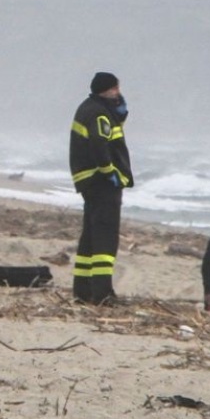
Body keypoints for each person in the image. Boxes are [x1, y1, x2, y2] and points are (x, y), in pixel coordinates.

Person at [69, 71, 133, 306]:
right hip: (101, 182)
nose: (119, 93)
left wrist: (120, 116)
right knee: (105, 239)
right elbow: (99, 143)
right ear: (108, 89)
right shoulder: (98, 113)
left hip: (89, 181)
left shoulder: (89, 108)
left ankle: (83, 290)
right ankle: (103, 293)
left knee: (90, 237)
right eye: (116, 88)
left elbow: (107, 134)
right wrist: (109, 172)